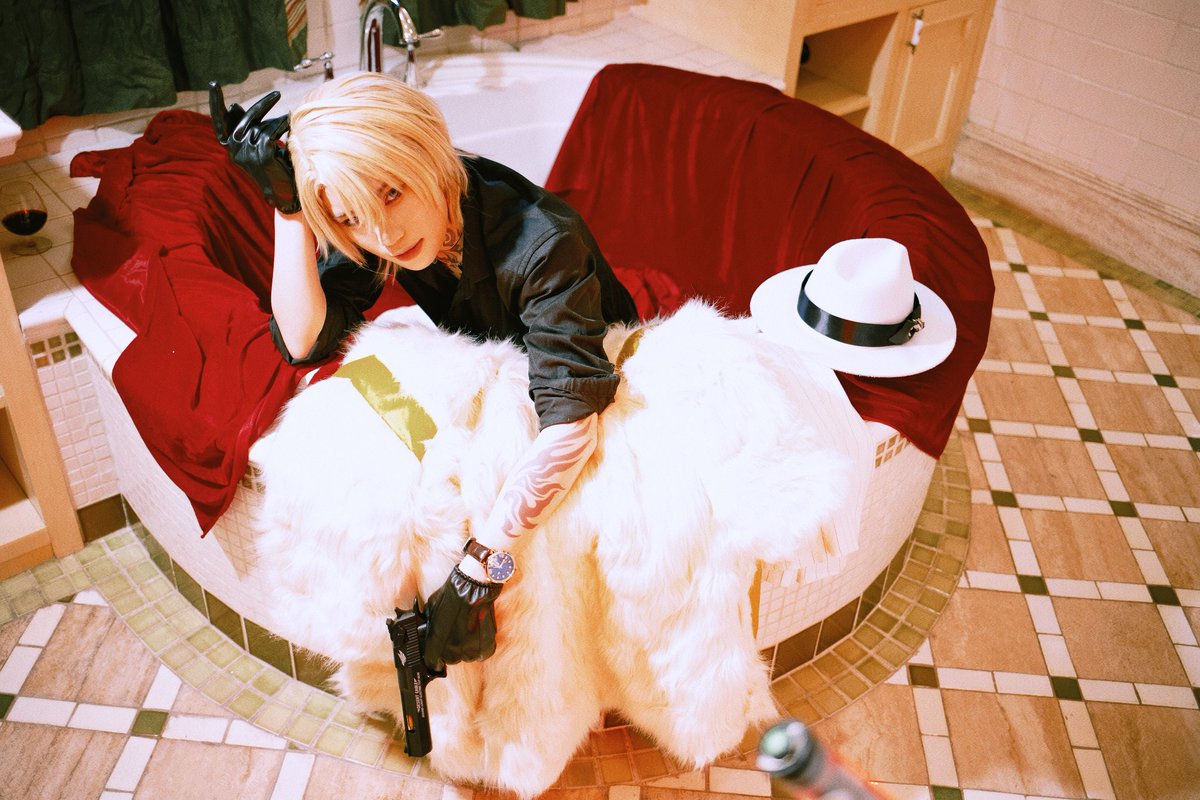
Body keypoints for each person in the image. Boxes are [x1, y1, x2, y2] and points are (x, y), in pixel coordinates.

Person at [209, 72, 638, 672]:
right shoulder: (385, 225)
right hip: (507, 388)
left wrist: (480, 569)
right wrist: (288, 209)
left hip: (599, 397)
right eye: (352, 219)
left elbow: (572, 424)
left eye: (392, 194)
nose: (383, 236)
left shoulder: (542, 243)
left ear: (430, 157)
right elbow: (304, 338)